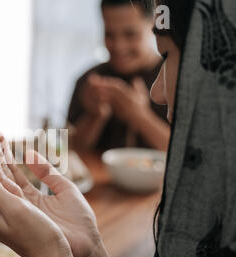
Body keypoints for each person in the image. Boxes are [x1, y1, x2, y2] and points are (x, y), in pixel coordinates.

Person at [0, 0, 236, 257]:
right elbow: (72, 149)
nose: (156, 92)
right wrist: (88, 251)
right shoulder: (90, 81)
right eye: (110, 34)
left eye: (167, 55)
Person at [67, 0, 170, 152]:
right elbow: (70, 152)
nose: (119, 46)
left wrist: (140, 117)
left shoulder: (175, 79)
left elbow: (189, 156)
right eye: (109, 34)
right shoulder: (89, 81)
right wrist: (94, 117)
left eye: (130, 34)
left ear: (153, 26)